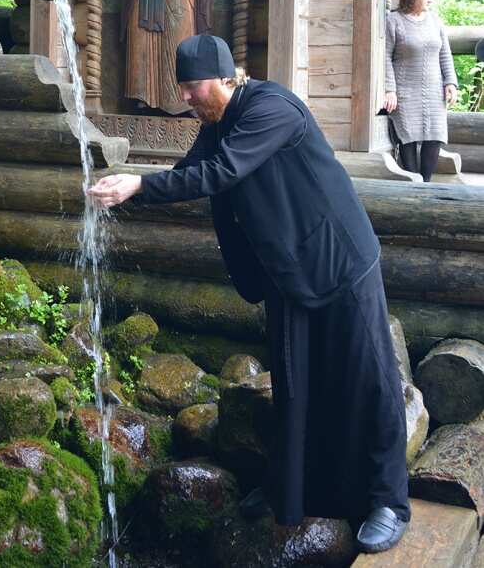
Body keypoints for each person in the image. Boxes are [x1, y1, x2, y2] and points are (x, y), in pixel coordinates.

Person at [89, 34, 410, 554]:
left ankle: (388, 503)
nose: (187, 98)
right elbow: (188, 172)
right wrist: (123, 190)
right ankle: (296, 489)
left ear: (225, 78)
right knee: (294, 385)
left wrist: (140, 185)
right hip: (286, 270)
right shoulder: (217, 121)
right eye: (184, 89)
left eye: (194, 88)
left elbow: (222, 173)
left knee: (367, 381)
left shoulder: (271, 108)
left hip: (339, 262)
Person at [384, 0, 458, 181]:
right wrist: (390, 89)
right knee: (407, 138)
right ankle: (413, 184)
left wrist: (450, 83)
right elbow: (385, 57)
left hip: (435, 92)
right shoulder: (394, 21)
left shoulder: (435, 21)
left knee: (434, 137)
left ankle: (426, 184)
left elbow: (445, 54)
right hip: (405, 91)